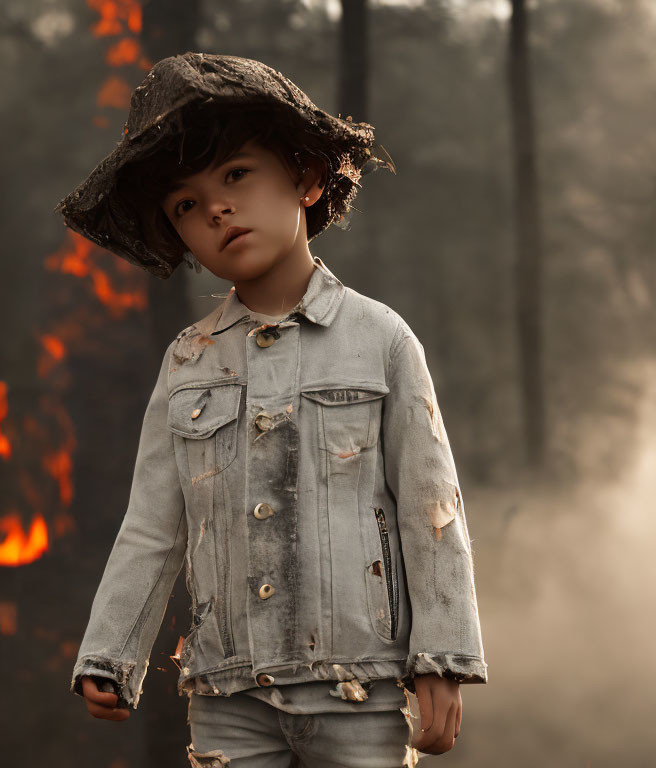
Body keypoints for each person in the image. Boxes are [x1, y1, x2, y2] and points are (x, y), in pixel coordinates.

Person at [55, 52, 487, 768]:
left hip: (361, 687)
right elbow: (153, 523)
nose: (216, 207)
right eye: (186, 206)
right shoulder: (188, 362)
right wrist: (112, 650)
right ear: (179, 238)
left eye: (236, 175)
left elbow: (431, 506)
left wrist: (440, 657)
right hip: (228, 696)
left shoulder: (381, 339)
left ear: (306, 177)